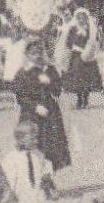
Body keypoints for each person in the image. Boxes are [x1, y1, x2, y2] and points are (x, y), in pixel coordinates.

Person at [11, 39, 72, 171]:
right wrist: (35, 107)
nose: (37, 56)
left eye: (39, 52)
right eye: (33, 53)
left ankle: (50, 177)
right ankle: (35, 178)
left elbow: (57, 91)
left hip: (50, 112)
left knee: (52, 145)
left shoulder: (49, 69)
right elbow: (20, 97)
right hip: (31, 114)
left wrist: (49, 81)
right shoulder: (23, 73)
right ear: (27, 55)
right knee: (34, 144)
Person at [1, 118, 56, 203]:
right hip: (20, 196)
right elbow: (7, 181)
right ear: (20, 139)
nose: (36, 141)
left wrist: (47, 177)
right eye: (32, 138)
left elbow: (45, 169)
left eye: (36, 138)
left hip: (35, 195)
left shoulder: (38, 155)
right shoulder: (11, 158)